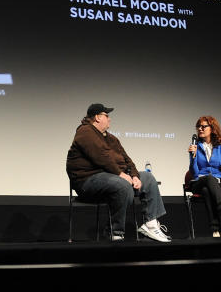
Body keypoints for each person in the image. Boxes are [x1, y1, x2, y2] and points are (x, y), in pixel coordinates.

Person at [66, 103, 171, 242]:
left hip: (110, 178)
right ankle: (115, 232)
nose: (109, 119)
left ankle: (150, 224)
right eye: (106, 116)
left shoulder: (112, 139)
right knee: (121, 184)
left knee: (148, 177)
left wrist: (134, 176)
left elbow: (127, 160)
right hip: (87, 181)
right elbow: (101, 158)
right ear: (97, 117)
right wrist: (121, 174)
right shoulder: (85, 132)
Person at [187, 115, 221, 237]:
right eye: (198, 127)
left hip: (220, 183)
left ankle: (215, 230)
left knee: (207, 190)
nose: (200, 129)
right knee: (208, 178)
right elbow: (195, 173)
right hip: (199, 181)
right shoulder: (196, 146)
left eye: (203, 126)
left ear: (212, 128)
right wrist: (193, 157)